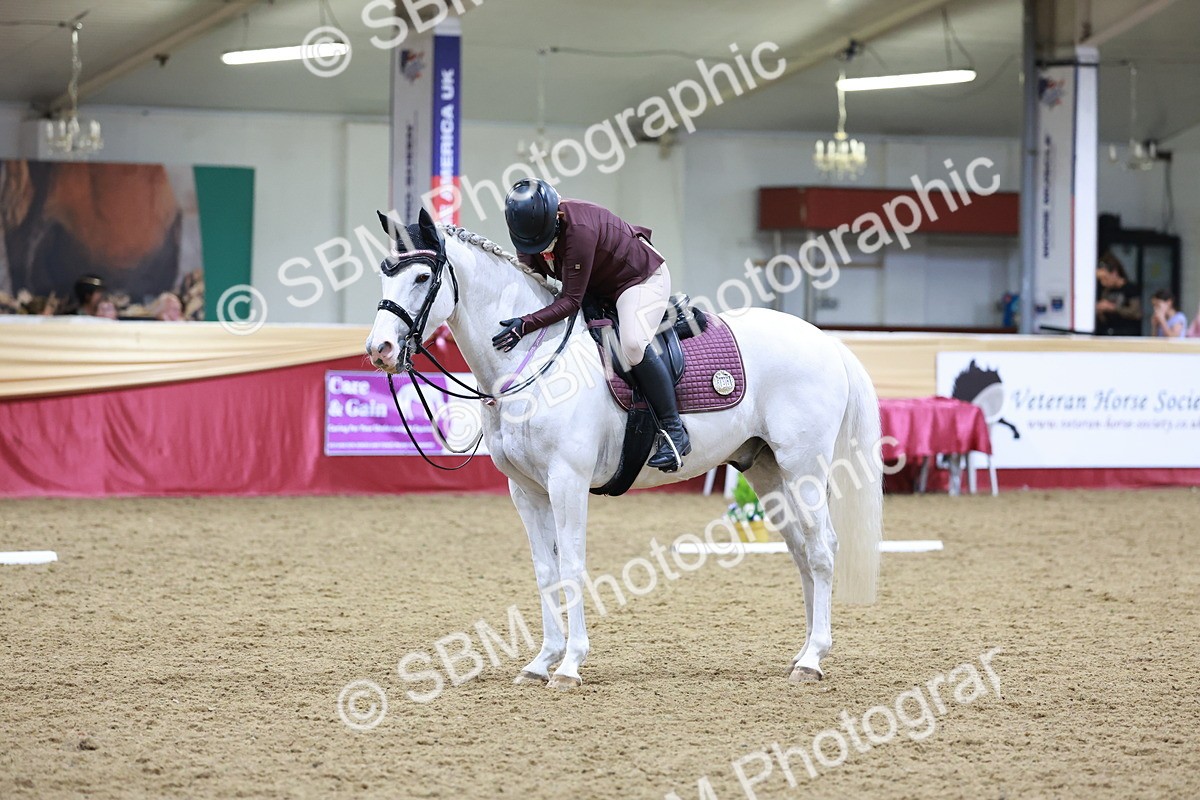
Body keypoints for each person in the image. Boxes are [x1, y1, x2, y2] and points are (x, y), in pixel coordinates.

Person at [497, 179, 689, 471]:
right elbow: (534, 286)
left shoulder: (579, 231)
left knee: (633, 344)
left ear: (556, 216)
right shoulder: (527, 231)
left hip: (636, 280)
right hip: (595, 285)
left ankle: (675, 431)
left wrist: (523, 324)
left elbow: (570, 301)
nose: (540, 249)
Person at [1095, 253, 1142, 336]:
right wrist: (1100, 311)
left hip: (1127, 334)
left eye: (1105, 278)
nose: (1103, 282)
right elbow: (1104, 320)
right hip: (1108, 332)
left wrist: (1113, 308)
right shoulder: (1106, 291)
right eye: (1100, 279)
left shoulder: (1130, 289)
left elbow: (1136, 313)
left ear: (1114, 273)